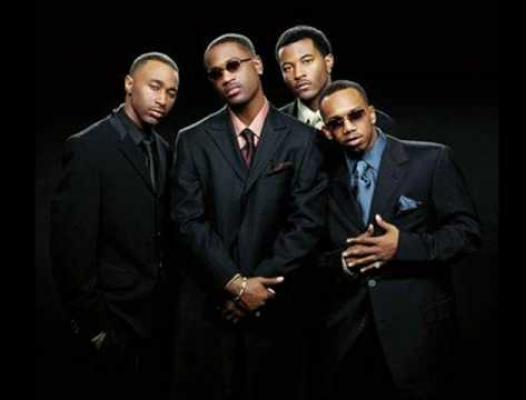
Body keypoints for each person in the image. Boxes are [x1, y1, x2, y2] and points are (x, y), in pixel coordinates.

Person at [171, 33, 327, 400]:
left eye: (233, 66)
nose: (226, 77)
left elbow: (306, 223)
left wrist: (258, 288)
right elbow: (188, 221)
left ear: (257, 65)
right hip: (212, 308)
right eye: (215, 73)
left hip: (279, 310)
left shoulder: (304, 139)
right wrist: (235, 285)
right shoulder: (192, 140)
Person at [314, 80, 481, 399]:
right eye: (336, 123)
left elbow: (467, 233)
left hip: (417, 333)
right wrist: (344, 262)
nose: (348, 127)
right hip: (348, 337)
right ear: (327, 131)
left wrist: (402, 246)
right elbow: (314, 256)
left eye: (355, 115)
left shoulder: (431, 160)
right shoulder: (321, 179)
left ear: (371, 114)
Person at [50, 51, 179, 399]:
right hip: (111, 323)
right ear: (129, 84)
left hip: (158, 324)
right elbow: (70, 249)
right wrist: (95, 329)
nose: (163, 99)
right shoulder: (88, 147)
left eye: (171, 92)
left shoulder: (165, 150)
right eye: (155, 87)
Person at [275, 25, 395, 134]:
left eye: (307, 61)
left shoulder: (376, 123)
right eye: (287, 68)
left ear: (328, 62)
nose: (298, 74)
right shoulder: (273, 124)